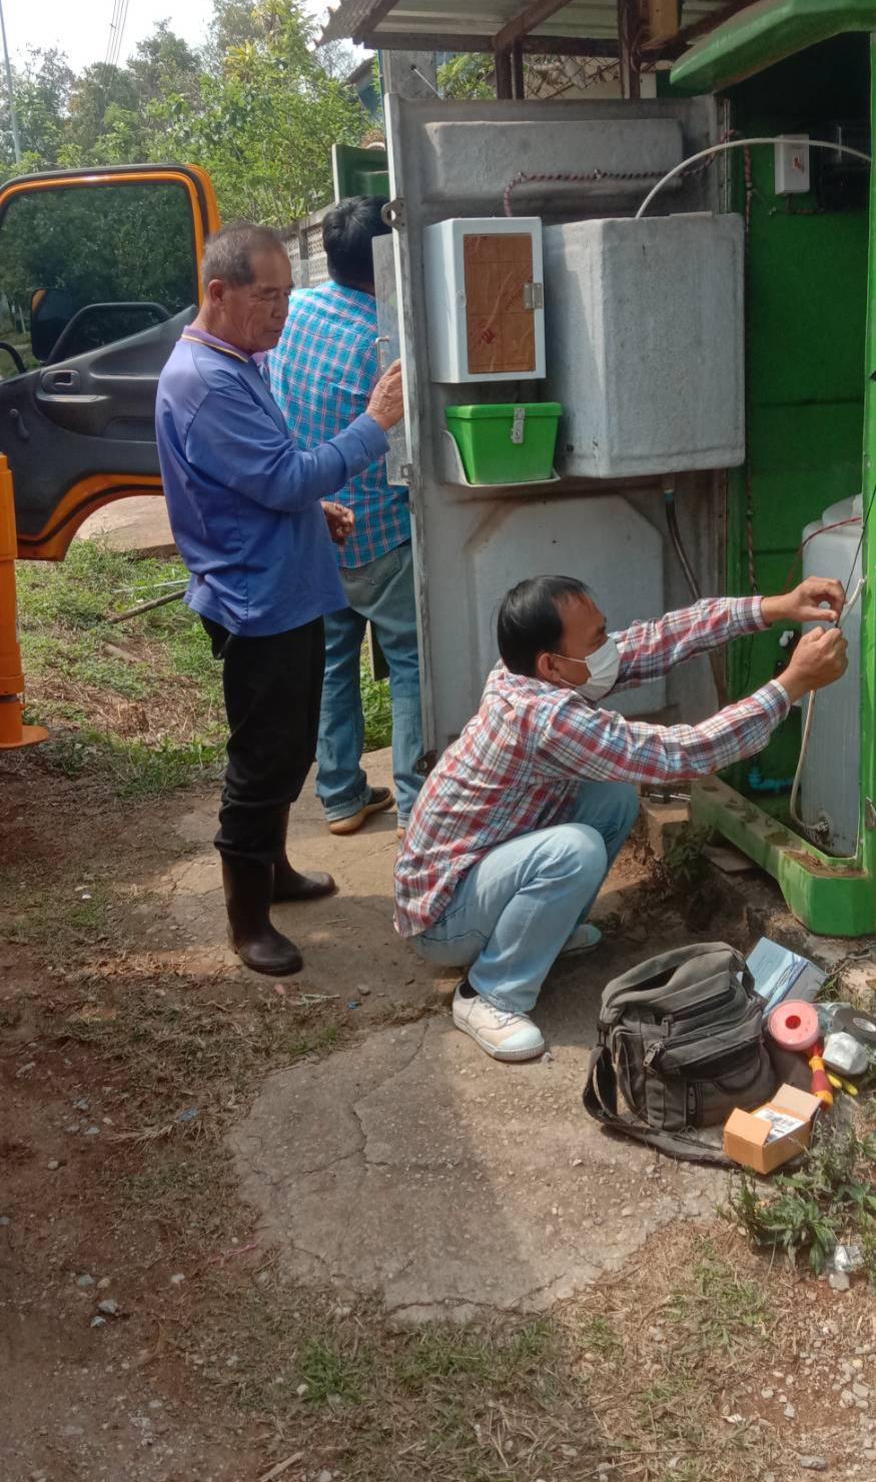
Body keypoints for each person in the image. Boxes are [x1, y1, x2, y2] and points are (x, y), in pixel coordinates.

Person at [395, 573, 847, 1063]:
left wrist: (778, 605)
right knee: (575, 851)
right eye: (596, 641)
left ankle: (542, 932)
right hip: (442, 916)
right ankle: (490, 992)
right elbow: (682, 753)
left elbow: (662, 638)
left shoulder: (530, 671)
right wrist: (791, 684)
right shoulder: (543, 717)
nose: (608, 647)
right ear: (551, 664)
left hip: (475, 871)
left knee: (611, 797)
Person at [155, 221, 404, 978]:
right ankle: (247, 921)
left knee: (293, 745)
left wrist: (307, 512)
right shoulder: (207, 381)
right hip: (255, 600)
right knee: (262, 760)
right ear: (218, 292)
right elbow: (283, 476)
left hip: (283, 586)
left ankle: (275, 869)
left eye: (288, 294)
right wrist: (374, 424)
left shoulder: (237, 360)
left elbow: (258, 479)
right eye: (267, 297)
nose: (282, 312)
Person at [271, 197, 422, 840]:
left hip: (314, 525)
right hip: (380, 535)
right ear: (387, 255)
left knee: (334, 662)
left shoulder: (295, 311)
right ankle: (417, 805)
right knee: (412, 664)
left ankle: (339, 795)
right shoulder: (386, 341)